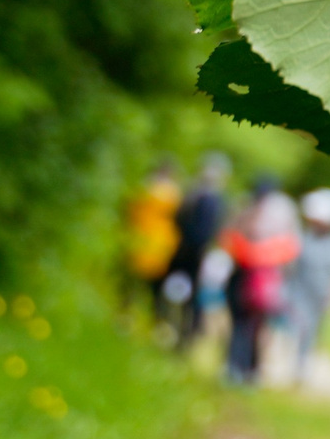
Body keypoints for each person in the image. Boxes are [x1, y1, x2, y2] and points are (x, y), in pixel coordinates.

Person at [220, 173, 300, 386]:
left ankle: (246, 369)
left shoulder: (272, 212)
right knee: (245, 325)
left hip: (261, 278)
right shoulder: (247, 209)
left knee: (253, 327)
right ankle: (239, 368)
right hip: (249, 276)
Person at [283, 187, 330, 386]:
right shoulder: (302, 238)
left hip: (321, 293)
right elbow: (291, 267)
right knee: (299, 326)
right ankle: (293, 365)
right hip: (299, 291)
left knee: (313, 331)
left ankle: (302, 368)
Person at [164, 152, 231, 348]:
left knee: (195, 297)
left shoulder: (215, 200)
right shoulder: (195, 194)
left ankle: (187, 334)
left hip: (199, 254)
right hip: (187, 251)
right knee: (177, 290)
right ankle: (173, 328)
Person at [122, 158, 183, 316]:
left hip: (152, 236)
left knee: (144, 274)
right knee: (141, 273)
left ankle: (133, 308)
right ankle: (135, 309)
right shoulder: (169, 191)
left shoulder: (153, 187)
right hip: (152, 235)